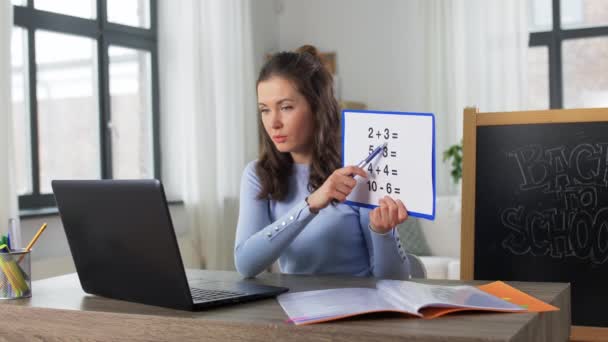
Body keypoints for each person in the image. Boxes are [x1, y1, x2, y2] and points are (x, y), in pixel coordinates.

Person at [234, 45, 411, 279]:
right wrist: (310, 205)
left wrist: (383, 233)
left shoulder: (357, 171)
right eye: (265, 110)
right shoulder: (258, 174)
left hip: (359, 308)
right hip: (295, 310)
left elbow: (394, 281)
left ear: (317, 107)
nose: (273, 122)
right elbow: (246, 264)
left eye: (286, 107)